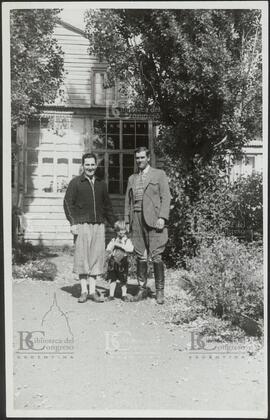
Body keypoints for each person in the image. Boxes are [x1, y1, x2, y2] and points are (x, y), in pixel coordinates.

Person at [64, 152, 117, 303]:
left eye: (92, 164)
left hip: (99, 225)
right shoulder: (76, 183)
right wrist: (73, 223)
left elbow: (107, 207)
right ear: (82, 166)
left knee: (96, 257)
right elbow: (68, 203)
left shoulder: (101, 184)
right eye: (87, 164)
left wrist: (115, 225)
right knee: (82, 257)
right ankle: (83, 291)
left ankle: (93, 291)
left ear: (96, 165)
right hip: (82, 225)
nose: (90, 167)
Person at [124, 147, 171, 304]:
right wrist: (126, 221)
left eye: (142, 158)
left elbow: (166, 197)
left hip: (154, 219)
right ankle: (142, 289)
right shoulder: (132, 178)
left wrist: (163, 217)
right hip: (136, 219)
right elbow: (128, 202)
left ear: (148, 158)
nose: (139, 161)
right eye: (137, 158)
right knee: (140, 255)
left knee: (156, 255)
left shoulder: (159, 174)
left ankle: (159, 292)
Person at [106, 220, 134, 302]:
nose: (121, 232)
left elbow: (130, 249)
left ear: (125, 230)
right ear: (116, 231)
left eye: (122, 230)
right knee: (112, 278)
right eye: (118, 230)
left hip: (123, 262)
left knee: (123, 279)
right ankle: (111, 295)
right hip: (113, 261)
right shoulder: (114, 239)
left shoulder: (127, 240)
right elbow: (108, 248)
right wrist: (111, 248)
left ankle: (124, 294)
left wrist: (120, 245)